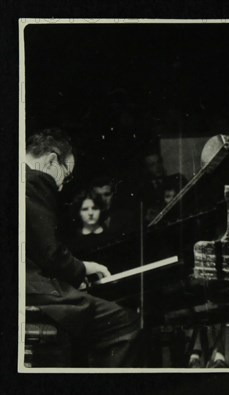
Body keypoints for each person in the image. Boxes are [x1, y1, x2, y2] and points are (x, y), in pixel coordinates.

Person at [25, 128, 143, 367]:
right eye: (66, 176)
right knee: (128, 323)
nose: (60, 187)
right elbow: (50, 254)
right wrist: (82, 268)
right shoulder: (34, 180)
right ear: (51, 160)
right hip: (31, 288)